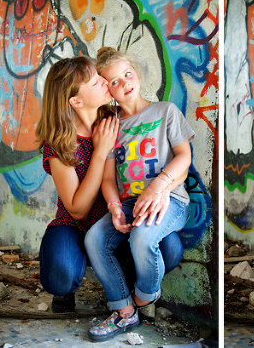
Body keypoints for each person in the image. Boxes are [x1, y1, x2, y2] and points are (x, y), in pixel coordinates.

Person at [35, 57, 184, 315]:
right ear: (76, 101)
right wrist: (100, 152)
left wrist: (162, 186)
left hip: (118, 220)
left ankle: (127, 291)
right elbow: (78, 210)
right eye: (95, 81)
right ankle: (70, 281)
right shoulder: (60, 143)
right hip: (76, 226)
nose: (104, 82)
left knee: (169, 249)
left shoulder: (119, 119)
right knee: (60, 276)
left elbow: (170, 161)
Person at [83, 48, 195, 342]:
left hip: (171, 200)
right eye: (115, 81)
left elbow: (184, 156)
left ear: (138, 74)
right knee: (95, 239)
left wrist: (159, 186)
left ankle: (143, 297)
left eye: (128, 75)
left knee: (142, 237)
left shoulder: (166, 111)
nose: (125, 83)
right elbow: (108, 179)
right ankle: (124, 311)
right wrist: (115, 207)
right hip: (130, 203)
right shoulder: (111, 127)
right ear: (107, 90)